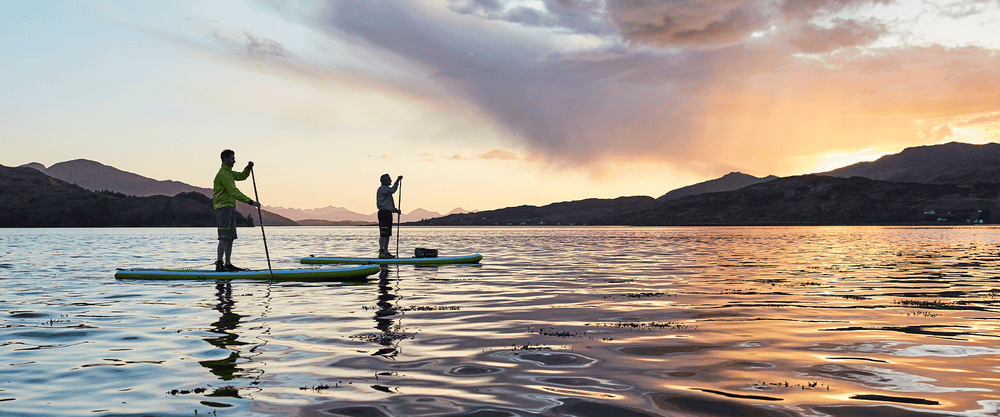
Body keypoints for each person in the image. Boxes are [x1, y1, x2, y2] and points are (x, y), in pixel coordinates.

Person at [213, 149, 260, 271]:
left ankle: (228, 264)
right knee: (224, 237)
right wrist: (251, 202)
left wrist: (248, 168)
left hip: (230, 208)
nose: (234, 161)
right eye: (232, 159)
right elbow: (234, 192)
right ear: (225, 159)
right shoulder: (223, 174)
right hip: (223, 209)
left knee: (230, 237)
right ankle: (219, 264)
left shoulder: (229, 173)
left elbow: (242, 176)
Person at [376, 173, 402, 258]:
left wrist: (395, 210)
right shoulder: (383, 189)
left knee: (387, 234)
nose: (391, 180)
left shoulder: (386, 190)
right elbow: (393, 190)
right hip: (383, 213)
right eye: (389, 179)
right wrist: (397, 181)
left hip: (388, 213)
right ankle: (382, 251)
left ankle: (386, 251)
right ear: (385, 181)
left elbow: (388, 204)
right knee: (383, 233)